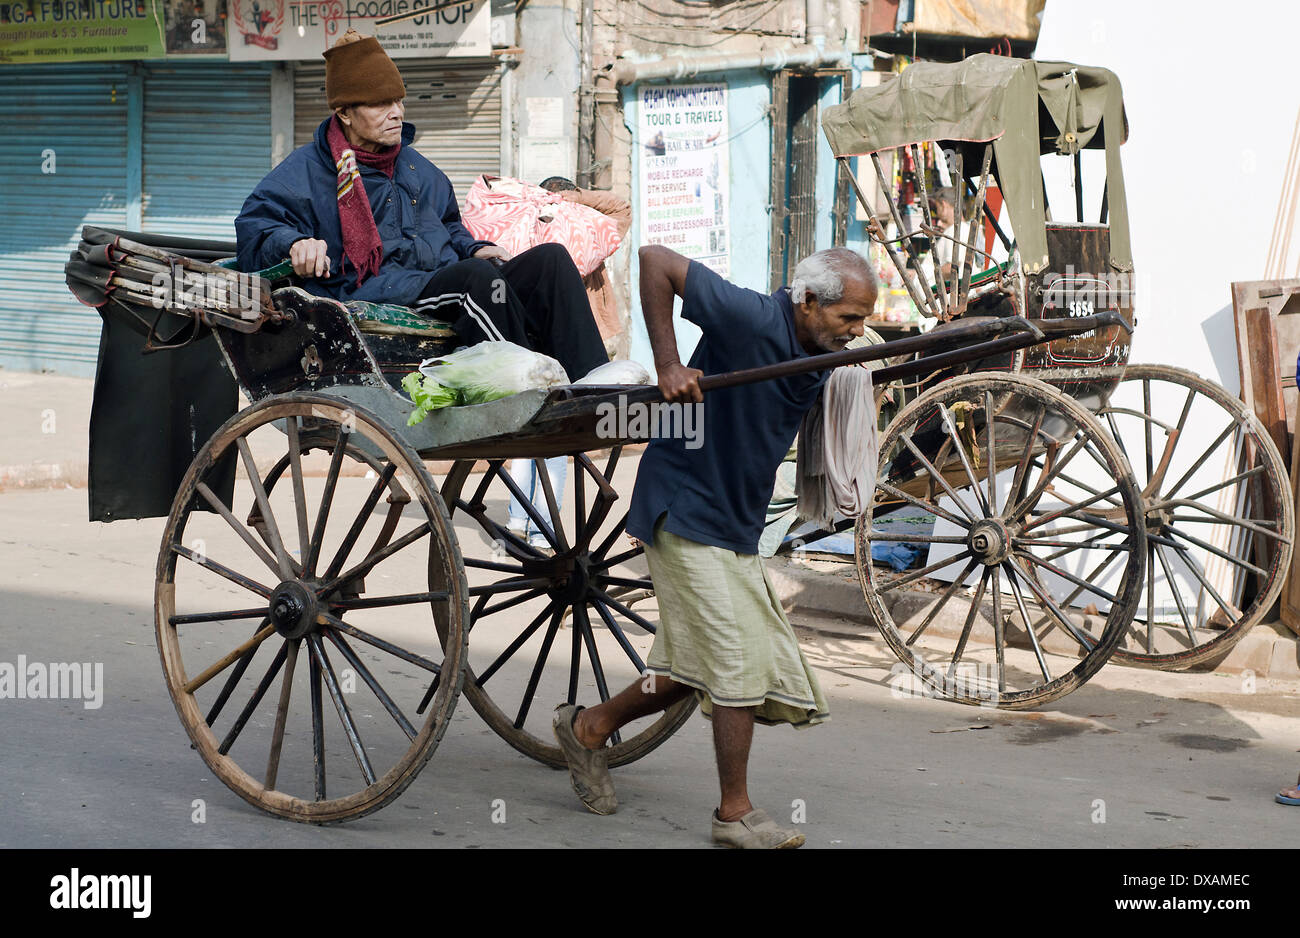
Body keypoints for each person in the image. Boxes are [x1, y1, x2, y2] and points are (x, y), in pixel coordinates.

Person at [551, 245, 878, 848]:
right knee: (734, 665)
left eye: (862, 321)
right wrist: (670, 364)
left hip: (735, 523)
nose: (857, 333)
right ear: (807, 302)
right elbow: (655, 261)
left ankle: (591, 727)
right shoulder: (750, 316)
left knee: (688, 670)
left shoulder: (822, 345)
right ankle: (735, 814)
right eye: (848, 320)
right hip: (685, 509)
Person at [234, 29, 608, 384]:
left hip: (436, 279)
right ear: (345, 113)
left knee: (551, 261)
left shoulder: (420, 170)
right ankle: (527, 386)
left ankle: (594, 384)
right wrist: (293, 243)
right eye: (380, 104)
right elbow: (255, 227)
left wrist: (474, 247)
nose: (396, 112)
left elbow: (450, 226)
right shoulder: (305, 172)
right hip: (372, 292)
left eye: (398, 100)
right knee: (476, 281)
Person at [538, 176, 633, 357]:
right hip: (552, 336)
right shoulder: (533, 232)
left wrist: (580, 198)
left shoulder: (590, 233)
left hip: (594, 331)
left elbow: (622, 208)